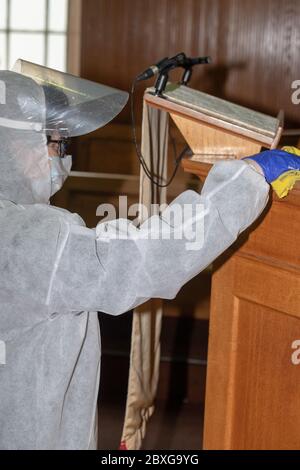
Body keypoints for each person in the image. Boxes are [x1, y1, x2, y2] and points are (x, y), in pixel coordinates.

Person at [0, 62, 299, 450]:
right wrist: (247, 179)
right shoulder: (27, 239)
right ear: (14, 147)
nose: (60, 159)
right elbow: (146, 257)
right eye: (55, 143)